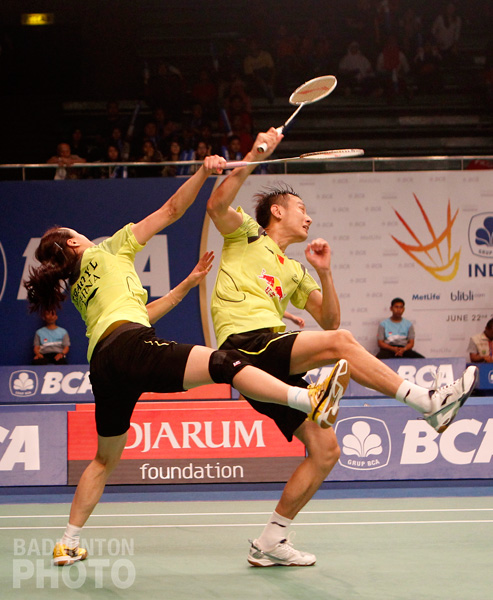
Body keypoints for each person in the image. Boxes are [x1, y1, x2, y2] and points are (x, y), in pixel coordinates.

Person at [24, 154, 343, 567]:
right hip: (133, 347)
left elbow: (138, 314)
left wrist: (186, 286)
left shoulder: (80, 287)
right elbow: (172, 209)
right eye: (76, 233)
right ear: (73, 243)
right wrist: (204, 172)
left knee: (103, 460)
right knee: (225, 363)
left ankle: (68, 542)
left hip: (103, 364)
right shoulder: (109, 249)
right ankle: (306, 399)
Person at [206, 127, 479, 568]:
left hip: (273, 359)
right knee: (342, 343)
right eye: (302, 209)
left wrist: (325, 272)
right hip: (245, 346)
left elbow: (329, 319)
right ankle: (428, 402)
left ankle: (270, 541)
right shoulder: (247, 235)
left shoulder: (293, 269)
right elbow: (216, 205)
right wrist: (256, 152)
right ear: (277, 211)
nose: (309, 218)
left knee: (327, 451)